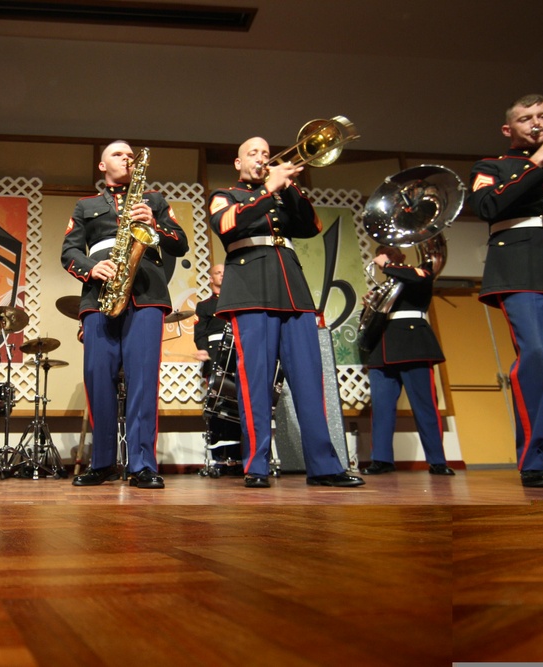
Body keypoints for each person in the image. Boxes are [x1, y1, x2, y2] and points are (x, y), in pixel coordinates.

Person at [206, 136, 364, 489]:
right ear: (238, 162)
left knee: (310, 382)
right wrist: (267, 191)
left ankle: (324, 466)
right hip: (250, 291)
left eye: (265, 153)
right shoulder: (226, 194)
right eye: (253, 153)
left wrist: (288, 187)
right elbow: (227, 226)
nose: (261, 158)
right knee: (255, 383)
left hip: (293, 292)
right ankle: (257, 466)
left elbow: (311, 227)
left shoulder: (281, 194)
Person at [467, 94, 543, 488]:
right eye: (526, 118)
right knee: (537, 354)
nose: (537, 123)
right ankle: (534, 460)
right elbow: (486, 206)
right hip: (521, 264)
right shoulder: (492, 165)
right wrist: (540, 158)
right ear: (508, 129)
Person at [62, 140, 189, 489]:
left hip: (147, 294)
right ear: (102, 166)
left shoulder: (155, 200)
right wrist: (91, 268)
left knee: (143, 381)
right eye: (118, 154)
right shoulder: (85, 205)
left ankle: (142, 464)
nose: (127, 159)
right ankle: (102, 462)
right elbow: (69, 250)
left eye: (131, 155)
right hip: (100, 296)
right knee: (98, 379)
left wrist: (155, 223)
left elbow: (180, 242)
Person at [360, 245, 454, 476]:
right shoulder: (383, 287)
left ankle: (437, 461)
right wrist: (368, 307)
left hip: (413, 346)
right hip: (382, 349)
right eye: (383, 254)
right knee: (381, 409)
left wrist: (388, 265)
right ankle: (381, 459)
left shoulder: (418, 273)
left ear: (401, 257)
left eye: (391, 253)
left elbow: (414, 277)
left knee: (424, 407)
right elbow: (369, 323)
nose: (385, 257)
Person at [194, 263, 242, 471]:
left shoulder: (238, 302)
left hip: (237, 357)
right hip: (215, 358)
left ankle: (235, 457)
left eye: (225, 272)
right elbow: (200, 333)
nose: (222, 275)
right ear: (211, 278)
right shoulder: (204, 306)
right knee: (217, 406)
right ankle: (218, 457)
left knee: (236, 407)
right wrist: (203, 350)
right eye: (218, 273)